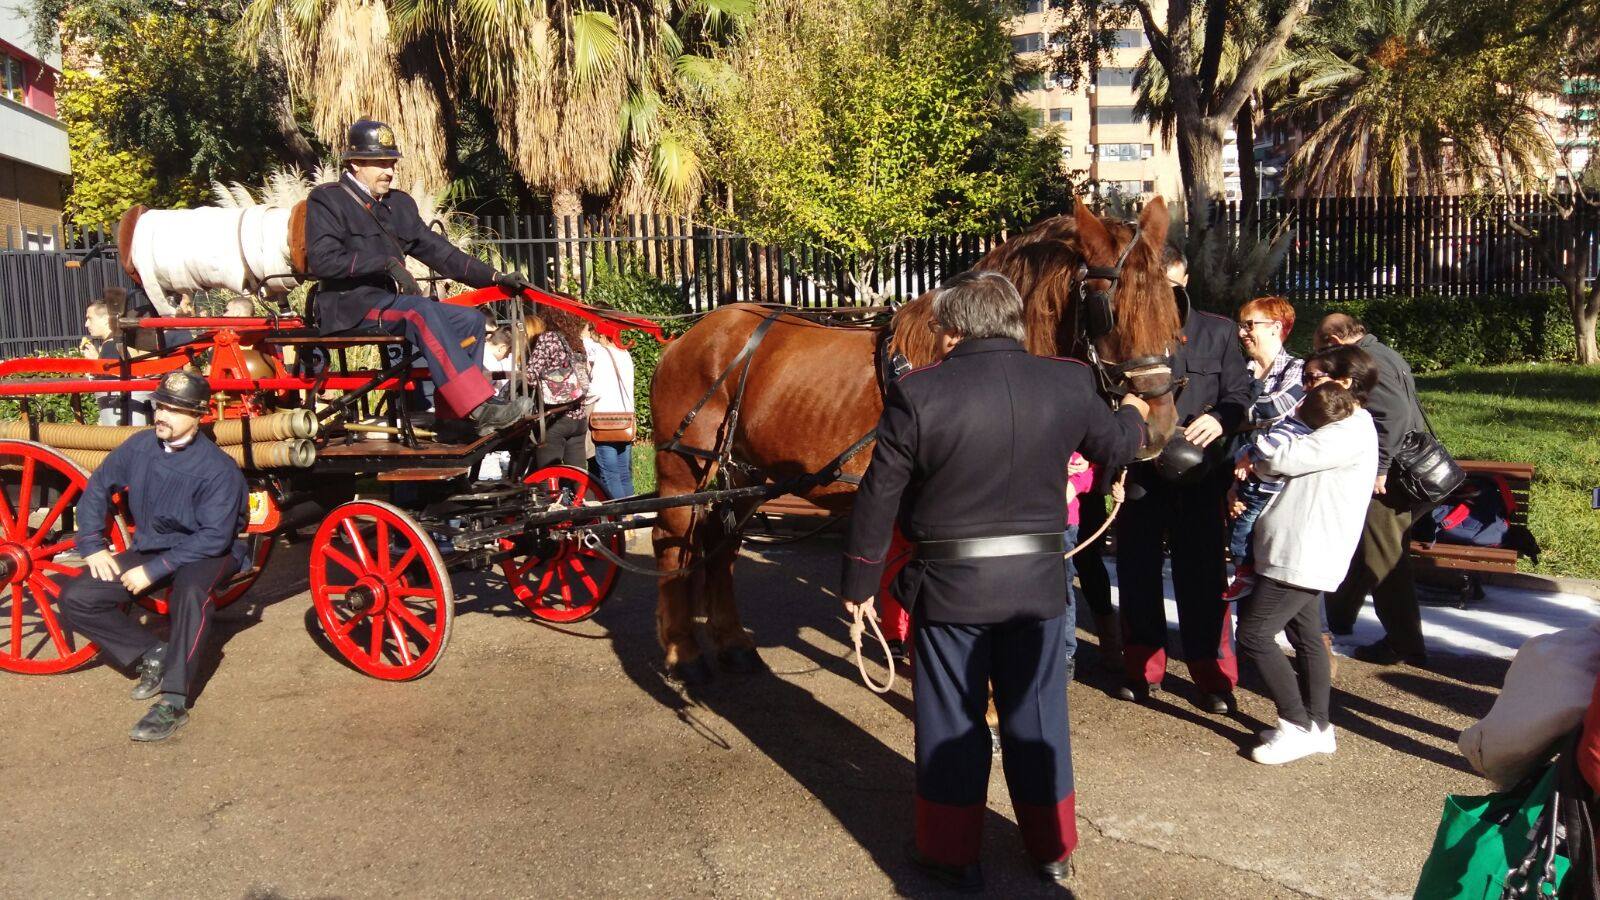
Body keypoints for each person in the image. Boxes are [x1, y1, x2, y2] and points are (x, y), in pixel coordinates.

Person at [840, 271, 1149, 889]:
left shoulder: (919, 393)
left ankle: (953, 853)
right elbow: (1117, 445)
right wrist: (1137, 416)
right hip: (1036, 587)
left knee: (952, 719)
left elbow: (879, 494)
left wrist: (859, 586)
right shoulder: (1066, 381)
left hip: (950, 589)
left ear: (953, 329)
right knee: (1037, 718)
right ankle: (1053, 849)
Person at [304, 118, 535, 434]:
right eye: (380, 163)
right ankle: (477, 407)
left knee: (469, 321)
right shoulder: (327, 199)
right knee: (419, 310)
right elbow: (323, 262)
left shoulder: (398, 205)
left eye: (391, 162)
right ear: (355, 162)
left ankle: (455, 418)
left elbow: (441, 253)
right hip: (349, 306)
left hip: (388, 303)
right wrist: (384, 262)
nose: (389, 171)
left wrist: (494, 277)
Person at [55, 371, 248, 742]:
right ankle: (151, 653)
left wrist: (154, 570)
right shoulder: (139, 446)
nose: (163, 415)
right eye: (161, 406)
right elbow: (98, 486)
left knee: (191, 596)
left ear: (199, 416)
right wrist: (92, 543)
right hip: (152, 547)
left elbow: (215, 536)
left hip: (206, 552)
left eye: (175, 410)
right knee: (77, 597)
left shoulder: (217, 469)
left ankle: (173, 702)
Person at [1115, 245, 1254, 713]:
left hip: (1200, 474)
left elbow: (1239, 395)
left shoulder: (1219, 332)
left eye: (1172, 282)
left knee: (1203, 578)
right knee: (1137, 575)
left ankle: (1213, 676)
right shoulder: (1129, 330)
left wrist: (1219, 419)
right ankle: (1142, 667)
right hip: (1142, 471)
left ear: (1185, 278)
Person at [1234, 379, 1376, 764]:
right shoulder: (1350, 426)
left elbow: (1281, 459)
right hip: (1302, 550)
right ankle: (1319, 727)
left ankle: (1296, 726)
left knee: (1253, 635)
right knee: (1306, 637)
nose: (1308, 383)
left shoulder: (1346, 432)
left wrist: (1258, 454)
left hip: (1300, 554)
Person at [1316, 313, 1433, 667]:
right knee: (1368, 548)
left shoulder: (1367, 361)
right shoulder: (1384, 352)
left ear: (1334, 343)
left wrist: (1379, 468)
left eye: (1322, 354)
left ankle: (1405, 644)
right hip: (1406, 471)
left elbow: (1392, 415)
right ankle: (1340, 617)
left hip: (1391, 478)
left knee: (1384, 559)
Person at [1223, 295, 1305, 599]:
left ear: (1275, 327)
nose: (1242, 332)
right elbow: (1229, 414)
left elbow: (1273, 410)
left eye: (1249, 325)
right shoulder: (1240, 370)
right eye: (1241, 326)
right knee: (1244, 566)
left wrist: (1235, 414)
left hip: (1279, 487)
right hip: (1240, 478)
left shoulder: (1298, 369)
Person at [524, 308, 592, 468]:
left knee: (548, 476)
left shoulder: (548, 338)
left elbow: (530, 376)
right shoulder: (576, 341)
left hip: (555, 417)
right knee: (578, 475)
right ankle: (584, 493)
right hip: (579, 418)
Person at [584, 322, 637, 501]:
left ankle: (620, 519)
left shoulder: (601, 354)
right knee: (624, 474)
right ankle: (631, 519)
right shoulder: (625, 354)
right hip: (625, 420)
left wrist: (581, 396)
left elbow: (595, 390)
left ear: (601, 333)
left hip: (605, 422)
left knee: (610, 475)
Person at [83, 295, 151, 426]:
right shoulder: (124, 341)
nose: (86, 324)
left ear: (105, 319)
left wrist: (95, 367)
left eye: (89, 318)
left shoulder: (110, 346)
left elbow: (111, 382)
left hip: (121, 415)